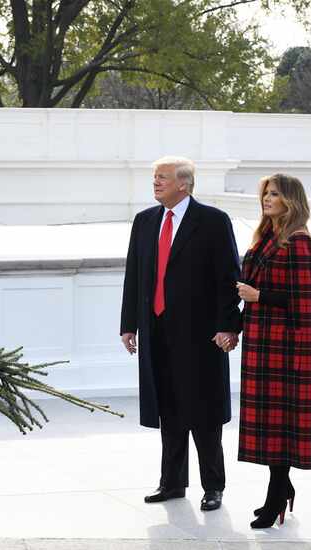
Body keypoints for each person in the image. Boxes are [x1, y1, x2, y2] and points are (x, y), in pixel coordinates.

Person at [120, 156, 241, 512]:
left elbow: (228, 278)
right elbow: (134, 275)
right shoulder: (145, 221)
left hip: (201, 335)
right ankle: (171, 483)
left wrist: (228, 325)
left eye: (163, 178)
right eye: (154, 177)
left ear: (184, 184)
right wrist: (129, 324)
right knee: (168, 409)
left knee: (203, 412)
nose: (156, 183)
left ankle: (213, 486)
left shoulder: (213, 221)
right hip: (156, 331)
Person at [236, 173, 311, 529]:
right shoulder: (266, 237)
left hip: (287, 346)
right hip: (261, 340)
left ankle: (275, 496)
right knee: (270, 425)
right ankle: (281, 487)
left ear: (291, 200)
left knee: (281, 423)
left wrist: (259, 297)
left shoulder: (297, 241)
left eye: (274, 194)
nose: (267, 199)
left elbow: (304, 302)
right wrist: (238, 325)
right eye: (265, 194)